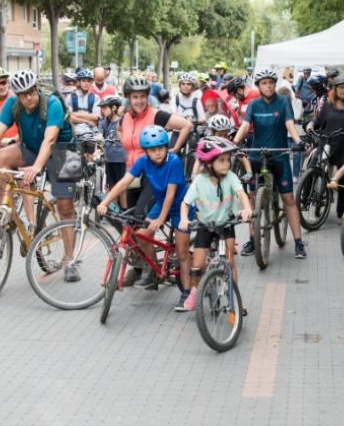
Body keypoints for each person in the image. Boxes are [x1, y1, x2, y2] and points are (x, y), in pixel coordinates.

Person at [0, 70, 82, 281]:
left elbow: (50, 140)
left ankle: (69, 260)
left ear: (36, 89)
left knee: (65, 206)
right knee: (0, 157)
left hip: (64, 151)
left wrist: (36, 167)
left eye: (31, 92)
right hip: (31, 147)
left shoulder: (53, 103)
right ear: (16, 95)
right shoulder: (13, 104)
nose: (28, 98)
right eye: (22, 94)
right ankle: (7, 210)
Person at [96, 125, 192, 307]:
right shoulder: (143, 161)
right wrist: (105, 202)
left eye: (161, 148)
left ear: (166, 147)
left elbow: (171, 194)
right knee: (142, 235)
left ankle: (187, 292)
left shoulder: (174, 161)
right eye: (152, 150)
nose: (157, 153)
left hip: (181, 205)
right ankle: (154, 272)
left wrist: (160, 219)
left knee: (182, 252)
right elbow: (124, 183)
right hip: (161, 202)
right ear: (146, 151)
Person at [232, 68, 309, 259]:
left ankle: (298, 242)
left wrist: (298, 141)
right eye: (264, 83)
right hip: (257, 156)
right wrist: (233, 144)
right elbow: (245, 125)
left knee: (288, 199)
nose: (268, 86)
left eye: (271, 83)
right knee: (252, 198)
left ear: (275, 84)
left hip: (279, 156)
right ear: (258, 86)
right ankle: (253, 239)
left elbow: (289, 124)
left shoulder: (283, 101)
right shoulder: (254, 104)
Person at [178, 136, 254, 311]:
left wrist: (246, 209)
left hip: (226, 224)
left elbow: (241, 193)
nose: (227, 164)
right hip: (205, 225)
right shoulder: (200, 180)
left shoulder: (231, 177)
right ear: (209, 163)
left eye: (228, 160)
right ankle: (195, 291)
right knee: (197, 265)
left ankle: (234, 300)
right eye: (222, 160)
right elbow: (185, 203)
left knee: (230, 261)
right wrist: (184, 219)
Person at [118, 74, 194, 209]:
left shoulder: (156, 115)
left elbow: (186, 125)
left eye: (143, 96)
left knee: (141, 216)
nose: (139, 101)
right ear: (128, 98)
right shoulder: (125, 118)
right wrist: (125, 144)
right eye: (135, 97)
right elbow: (119, 130)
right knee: (130, 217)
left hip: (153, 174)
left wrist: (175, 149)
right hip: (132, 173)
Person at [311, 74, 344, 216]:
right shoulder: (328, 105)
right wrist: (311, 125)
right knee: (313, 167)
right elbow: (319, 121)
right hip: (326, 143)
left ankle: (342, 211)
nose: (343, 90)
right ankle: (306, 197)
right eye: (340, 87)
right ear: (335, 89)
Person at [96, 96, 127, 207]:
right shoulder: (103, 122)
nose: (103, 110)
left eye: (105, 108)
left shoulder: (123, 121)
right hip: (109, 160)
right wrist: (99, 142)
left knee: (122, 186)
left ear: (114, 108)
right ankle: (114, 210)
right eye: (102, 108)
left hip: (121, 159)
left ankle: (124, 209)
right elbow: (100, 135)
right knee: (112, 186)